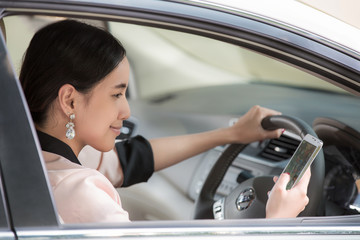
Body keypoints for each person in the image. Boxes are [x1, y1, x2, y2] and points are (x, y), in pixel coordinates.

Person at [20, 20, 310, 223]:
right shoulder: (80, 191)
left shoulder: (29, 155)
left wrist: (232, 134)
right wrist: (275, 222)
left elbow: (131, 159)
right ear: (70, 100)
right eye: (116, 94)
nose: (126, 111)